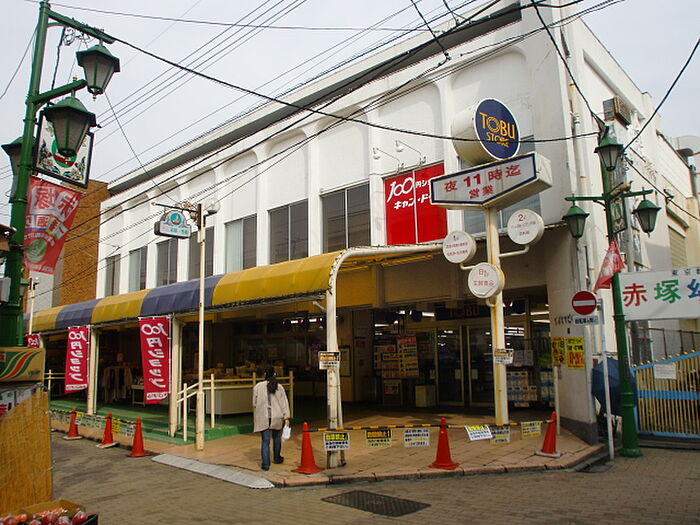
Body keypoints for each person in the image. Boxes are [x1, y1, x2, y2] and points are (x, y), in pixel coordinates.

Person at [253, 366, 290, 470]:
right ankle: (277, 458)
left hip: (264, 417)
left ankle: (265, 464)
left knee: (265, 441)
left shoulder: (258, 387)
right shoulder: (279, 387)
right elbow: (284, 403)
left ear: (264, 374)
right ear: (274, 374)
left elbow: (254, 403)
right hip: (277, 416)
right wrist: (286, 417)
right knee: (277, 438)